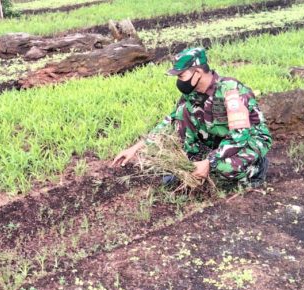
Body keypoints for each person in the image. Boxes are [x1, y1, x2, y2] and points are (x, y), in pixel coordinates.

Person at [113, 47, 271, 187]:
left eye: (181, 76)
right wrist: (135, 148)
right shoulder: (192, 94)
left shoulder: (230, 90)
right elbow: (170, 121)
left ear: (198, 73)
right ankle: (196, 161)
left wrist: (209, 162)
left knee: (223, 169)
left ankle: (256, 168)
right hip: (220, 139)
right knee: (183, 112)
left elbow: (239, 136)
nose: (179, 81)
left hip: (249, 139)